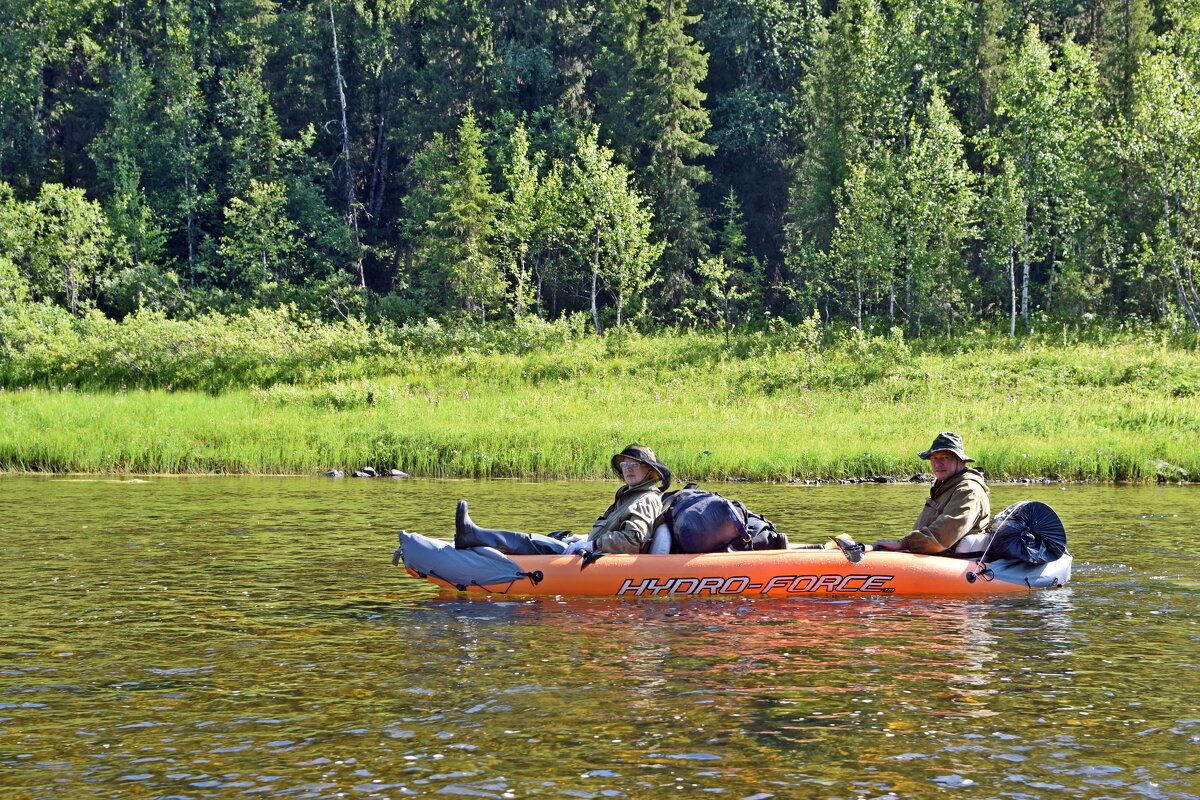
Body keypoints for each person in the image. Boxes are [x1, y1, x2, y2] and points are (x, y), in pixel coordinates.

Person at [454, 444, 671, 556]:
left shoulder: (646, 499)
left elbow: (633, 540)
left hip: (603, 558)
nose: (628, 469)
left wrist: (591, 544)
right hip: (597, 550)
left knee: (532, 543)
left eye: (634, 465)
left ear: (649, 471)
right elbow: (616, 530)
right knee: (546, 539)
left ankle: (473, 536)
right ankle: (477, 540)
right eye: (624, 464)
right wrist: (584, 537)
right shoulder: (629, 495)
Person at [873, 432, 990, 554]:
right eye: (934, 458)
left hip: (949, 560)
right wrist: (903, 544)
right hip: (930, 553)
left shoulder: (967, 489)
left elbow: (944, 533)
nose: (938, 463)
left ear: (961, 461)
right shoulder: (946, 483)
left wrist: (902, 544)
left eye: (945, 457)